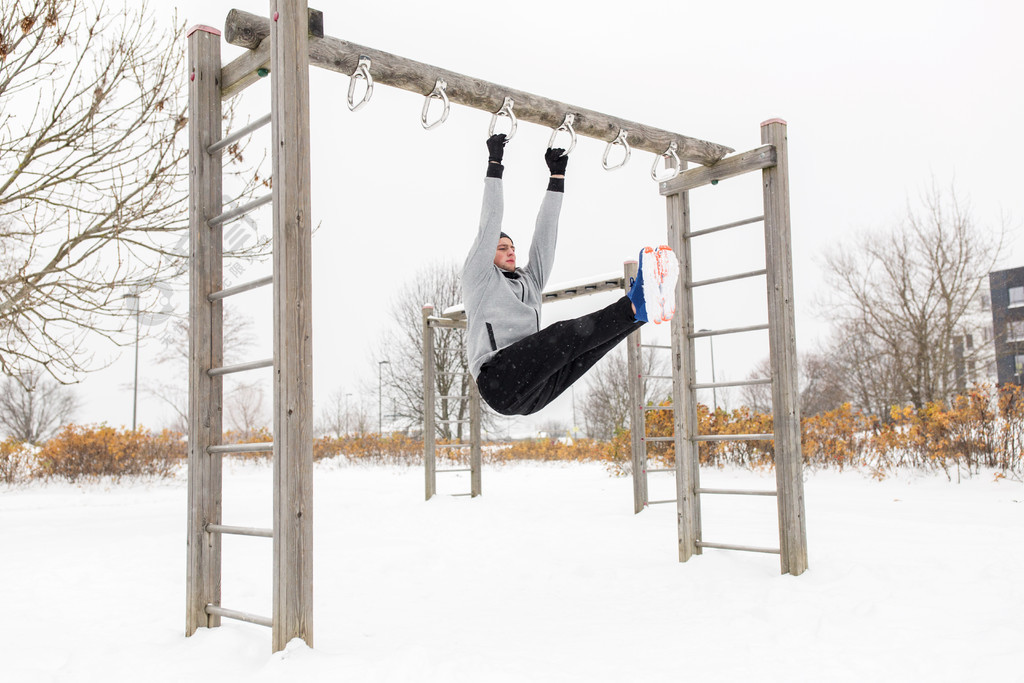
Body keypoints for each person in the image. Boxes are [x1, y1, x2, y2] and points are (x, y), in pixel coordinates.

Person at [462, 134, 678, 416]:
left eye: (513, 247)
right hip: (498, 379)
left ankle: (640, 313)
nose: (511, 252)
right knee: (566, 335)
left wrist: (557, 176)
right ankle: (634, 305)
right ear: (487, 253)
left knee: (588, 350)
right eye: (502, 248)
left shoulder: (530, 281)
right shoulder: (480, 279)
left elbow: (545, 235)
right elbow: (490, 221)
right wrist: (495, 163)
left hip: (532, 393)